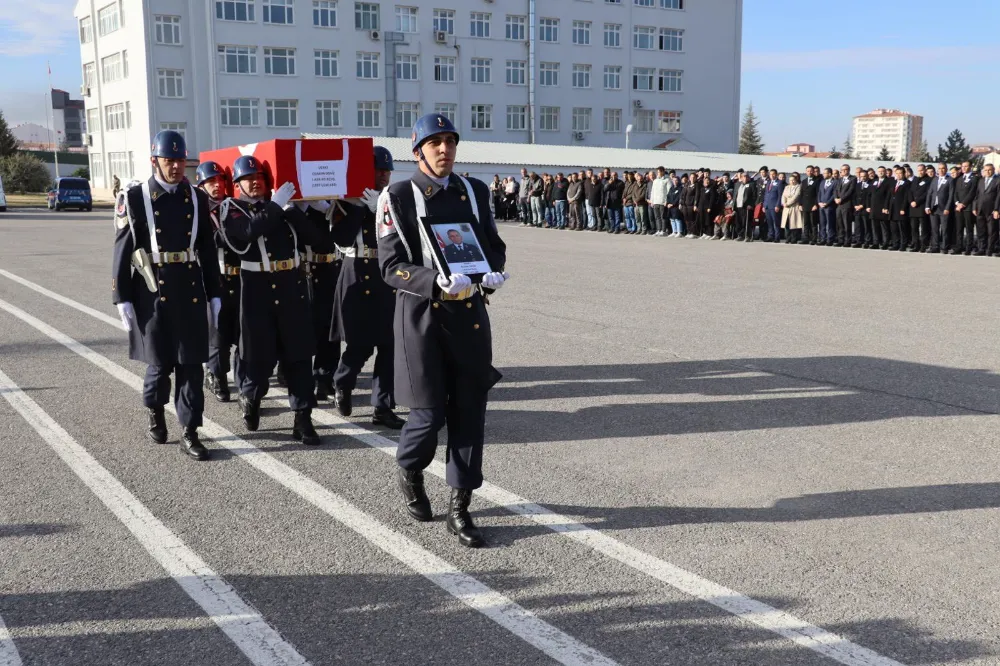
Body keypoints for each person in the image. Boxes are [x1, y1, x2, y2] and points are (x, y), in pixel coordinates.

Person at [377, 113, 508, 548]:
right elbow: (390, 267)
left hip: (469, 315)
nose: (444, 149)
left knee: (470, 412)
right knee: (428, 414)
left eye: (450, 141)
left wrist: (492, 271)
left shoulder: (475, 190)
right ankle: (410, 471)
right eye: (435, 143)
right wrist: (433, 281)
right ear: (417, 151)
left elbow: (492, 245)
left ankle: (460, 508)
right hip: (423, 319)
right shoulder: (396, 196)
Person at [111, 130, 221, 460]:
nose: (175, 168)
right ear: (154, 161)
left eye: (180, 161)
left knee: (191, 365)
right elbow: (122, 249)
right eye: (169, 161)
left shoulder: (198, 199)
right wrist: (122, 297)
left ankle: (190, 431)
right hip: (153, 290)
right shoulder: (134, 198)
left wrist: (214, 294)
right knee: (160, 365)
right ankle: (156, 410)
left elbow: (205, 249)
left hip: (189, 289)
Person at [218, 155, 321, 445]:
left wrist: (295, 211)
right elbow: (245, 236)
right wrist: (276, 206)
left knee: (299, 356)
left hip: (291, 286)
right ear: (237, 184)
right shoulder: (232, 208)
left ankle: (303, 420)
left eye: (259, 177)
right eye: (248, 178)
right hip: (257, 289)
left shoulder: (281, 206)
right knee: (258, 357)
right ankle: (251, 397)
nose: (255, 182)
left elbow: (314, 238)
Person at [329, 146, 405, 428]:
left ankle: (382, 407)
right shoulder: (346, 201)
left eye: (387, 170)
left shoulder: (394, 200)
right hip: (357, 271)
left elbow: (406, 235)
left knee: (389, 344)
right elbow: (341, 237)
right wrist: (362, 207)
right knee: (360, 344)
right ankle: (342, 383)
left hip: (387, 274)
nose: (384, 175)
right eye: (378, 169)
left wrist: (381, 210)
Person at [196, 160, 242, 403]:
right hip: (216, 277)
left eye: (220, 181)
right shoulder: (199, 212)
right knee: (219, 333)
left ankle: (239, 377)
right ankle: (216, 376)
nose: (217, 185)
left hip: (240, 276)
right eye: (210, 182)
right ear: (201, 186)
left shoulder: (233, 207)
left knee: (240, 330)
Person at [925, 163, 953, 254]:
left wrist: (947, 207)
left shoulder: (950, 180)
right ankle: (935, 246)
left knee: (944, 229)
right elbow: (930, 193)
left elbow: (951, 195)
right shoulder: (935, 179)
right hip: (934, 208)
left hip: (944, 208)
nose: (941, 170)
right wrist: (927, 206)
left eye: (943, 168)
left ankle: (944, 247)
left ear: (946, 169)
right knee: (934, 228)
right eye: (939, 168)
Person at [973, 162, 1000, 257]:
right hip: (980, 209)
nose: (988, 172)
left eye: (990, 170)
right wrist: (974, 207)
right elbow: (977, 195)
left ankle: (990, 249)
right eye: (986, 170)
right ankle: (981, 248)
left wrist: (997, 209)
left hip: (992, 210)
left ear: (993, 170)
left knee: (992, 231)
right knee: (981, 230)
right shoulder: (981, 180)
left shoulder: (997, 180)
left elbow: (998, 196)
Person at [868, 166, 894, 250]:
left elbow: (888, 196)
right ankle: (876, 242)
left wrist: (886, 207)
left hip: (883, 207)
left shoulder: (889, 182)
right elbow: (869, 194)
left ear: (885, 172)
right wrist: (868, 206)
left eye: (882, 171)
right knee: (874, 226)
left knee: (884, 226)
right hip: (873, 207)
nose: (881, 173)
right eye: (879, 171)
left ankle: (885, 242)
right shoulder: (874, 181)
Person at [908, 165, 932, 252]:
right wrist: (911, 201)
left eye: (922, 170)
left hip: (921, 207)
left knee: (924, 228)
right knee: (914, 228)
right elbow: (910, 191)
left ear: (925, 170)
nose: (920, 172)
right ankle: (916, 245)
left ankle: (923, 245)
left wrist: (917, 202)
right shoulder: (915, 180)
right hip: (913, 208)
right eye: (918, 170)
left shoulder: (929, 180)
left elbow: (927, 193)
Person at [889, 166, 911, 251]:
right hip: (893, 209)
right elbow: (890, 195)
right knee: (894, 228)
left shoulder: (907, 183)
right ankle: (895, 244)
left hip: (901, 209)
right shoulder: (894, 183)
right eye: (897, 173)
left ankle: (903, 244)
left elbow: (906, 197)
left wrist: (903, 208)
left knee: (902, 228)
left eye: (900, 173)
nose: (898, 175)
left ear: (904, 174)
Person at [834, 165, 856, 247]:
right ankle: (840, 240)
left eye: (845, 170)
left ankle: (847, 241)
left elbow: (850, 191)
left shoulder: (853, 179)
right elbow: (835, 190)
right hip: (839, 205)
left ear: (848, 170)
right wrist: (836, 198)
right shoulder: (840, 180)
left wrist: (841, 199)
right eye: (842, 170)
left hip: (846, 204)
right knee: (839, 224)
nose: (843, 171)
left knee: (847, 224)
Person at [780, 172, 803, 244]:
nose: (792, 181)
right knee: (787, 223)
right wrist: (784, 203)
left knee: (793, 223)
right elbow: (783, 196)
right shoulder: (787, 187)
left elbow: (796, 197)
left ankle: (794, 238)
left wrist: (788, 203)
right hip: (786, 207)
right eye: (790, 180)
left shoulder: (798, 187)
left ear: (796, 180)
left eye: (793, 180)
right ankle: (788, 237)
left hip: (794, 207)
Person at [763, 169, 784, 242]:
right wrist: (764, 205)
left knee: (776, 222)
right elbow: (766, 194)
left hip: (774, 205)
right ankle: (770, 236)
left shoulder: (779, 183)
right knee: (769, 222)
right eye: (770, 174)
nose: (772, 175)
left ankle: (777, 237)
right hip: (767, 206)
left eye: (773, 174)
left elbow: (780, 195)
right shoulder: (768, 182)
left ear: (776, 174)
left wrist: (778, 205)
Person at [800, 166, 819, 245]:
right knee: (806, 223)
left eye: (811, 171)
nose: (809, 172)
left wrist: (816, 204)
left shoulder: (817, 181)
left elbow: (818, 194)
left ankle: (814, 238)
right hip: (805, 205)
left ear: (813, 171)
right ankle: (806, 238)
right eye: (808, 171)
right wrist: (800, 204)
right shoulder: (804, 181)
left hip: (813, 205)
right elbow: (801, 193)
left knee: (813, 223)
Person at [817, 168, 836, 246]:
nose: (823, 174)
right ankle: (823, 238)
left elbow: (834, 194)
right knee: (822, 223)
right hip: (821, 206)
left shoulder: (835, 182)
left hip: (829, 206)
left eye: (825, 173)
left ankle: (830, 239)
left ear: (830, 174)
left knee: (830, 223)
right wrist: (819, 202)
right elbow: (819, 193)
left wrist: (827, 203)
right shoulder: (822, 182)